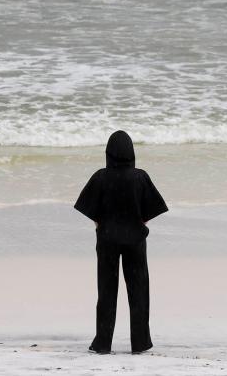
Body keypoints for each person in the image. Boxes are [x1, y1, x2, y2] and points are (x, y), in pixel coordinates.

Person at [73, 130, 168, 355]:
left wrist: (103, 226)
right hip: (135, 240)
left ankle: (103, 343)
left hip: (107, 240)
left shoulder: (100, 176)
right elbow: (150, 210)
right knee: (139, 292)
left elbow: (91, 210)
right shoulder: (140, 176)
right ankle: (140, 343)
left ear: (108, 153)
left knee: (106, 292)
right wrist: (135, 223)